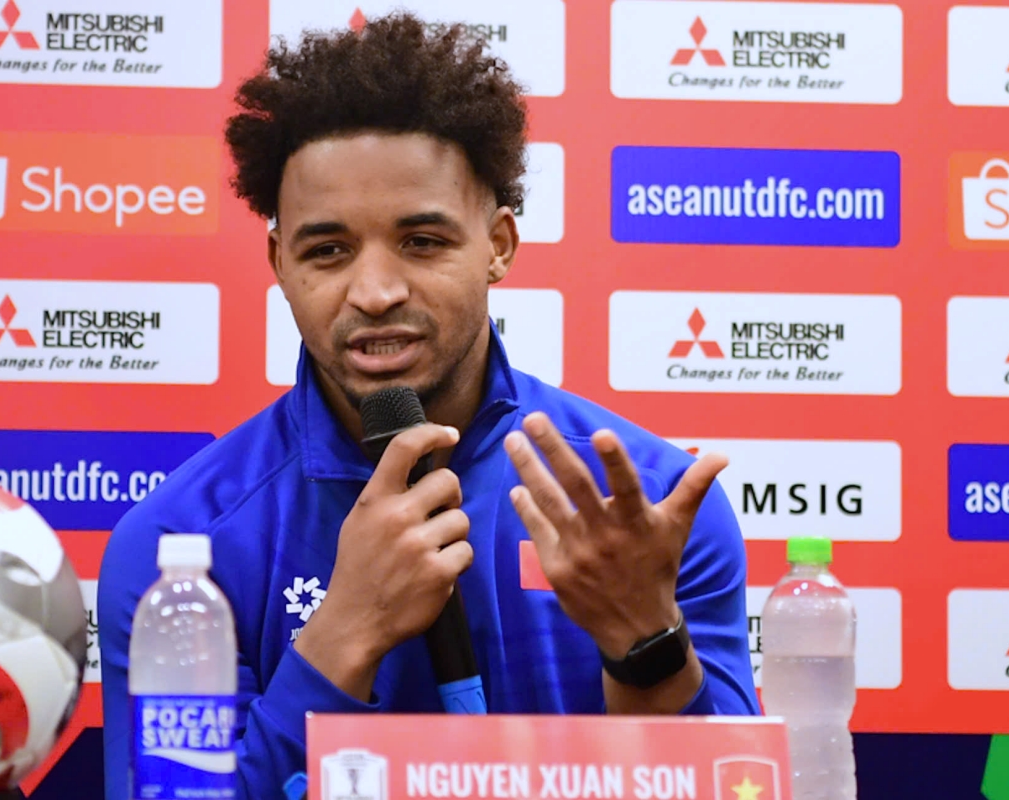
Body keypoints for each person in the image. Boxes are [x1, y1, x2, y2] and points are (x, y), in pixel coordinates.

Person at [99, 13, 759, 799]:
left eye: (422, 242)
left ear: (498, 245)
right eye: (328, 251)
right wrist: (343, 634)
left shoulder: (646, 507)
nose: (376, 292)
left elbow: (736, 787)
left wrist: (644, 643)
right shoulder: (181, 550)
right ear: (279, 262)